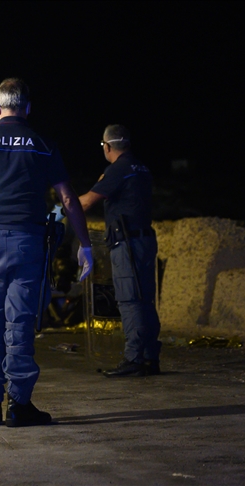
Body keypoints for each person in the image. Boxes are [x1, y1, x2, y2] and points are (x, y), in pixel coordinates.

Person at [0, 78, 93, 427]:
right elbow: (68, 199)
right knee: (21, 321)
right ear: (27, 108)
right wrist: (85, 245)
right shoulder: (43, 144)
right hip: (28, 241)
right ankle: (19, 405)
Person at [78, 125, 162, 377]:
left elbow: (87, 202)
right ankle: (150, 358)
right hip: (144, 239)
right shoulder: (141, 168)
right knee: (144, 300)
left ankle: (133, 358)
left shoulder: (118, 169)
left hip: (127, 243)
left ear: (107, 146)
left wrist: (62, 207)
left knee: (129, 300)